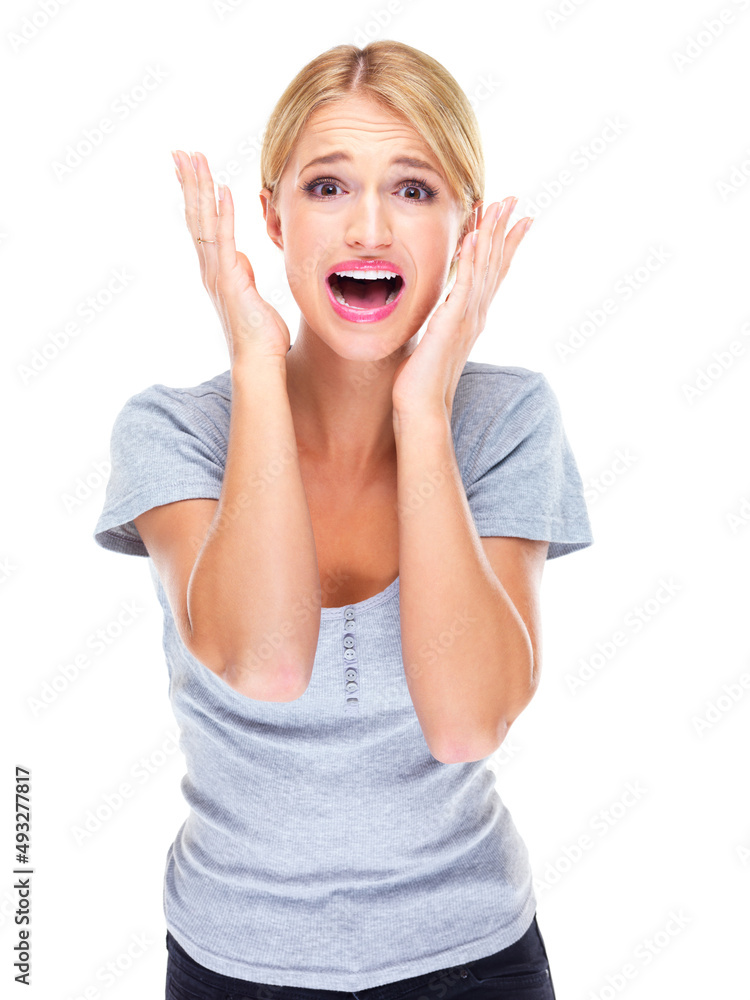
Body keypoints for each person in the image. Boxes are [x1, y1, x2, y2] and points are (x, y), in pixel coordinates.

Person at [93, 40, 593, 1000]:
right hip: (234, 963)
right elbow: (267, 661)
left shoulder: (510, 419)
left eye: (414, 190)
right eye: (328, 187)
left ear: (464, 225)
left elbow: (466, 721)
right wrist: (252, 362)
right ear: (274, 216)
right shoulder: (173, 432)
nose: (368, 228)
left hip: (474, 961)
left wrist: (423, 408)